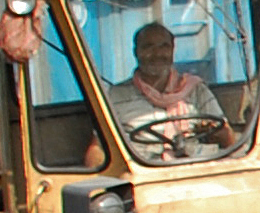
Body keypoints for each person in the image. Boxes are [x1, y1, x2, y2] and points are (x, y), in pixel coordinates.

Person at [86, 22, 230, 165]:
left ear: (173, 50)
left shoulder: (196, 90)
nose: (157, 54)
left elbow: (228, 138)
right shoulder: (116, 96)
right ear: (136, 52)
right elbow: (97, 148)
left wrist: (211, 131)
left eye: (164, 46)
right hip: (143, 173)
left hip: (194, 170)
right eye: (148, 47)